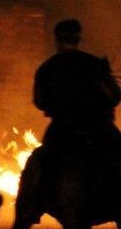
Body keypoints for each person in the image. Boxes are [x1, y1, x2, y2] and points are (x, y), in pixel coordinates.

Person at [33, 19, 121, 161]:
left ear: (56, 39)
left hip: (62, 131)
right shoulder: (96, 64)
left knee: (43, 167)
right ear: (78, 38)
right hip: (100, 129)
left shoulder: (47, 68)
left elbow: (40, 102)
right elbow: (115, 97)